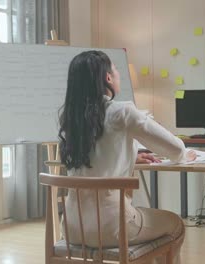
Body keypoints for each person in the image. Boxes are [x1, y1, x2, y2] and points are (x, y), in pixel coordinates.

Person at [58, 50, 196, 263]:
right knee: (175, 225)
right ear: (107, 78)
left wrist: (130, 156)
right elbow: (175, 149)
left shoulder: (70, 121)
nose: (118, 74)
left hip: (72, 228)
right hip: (111, 227)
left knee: (146, 230)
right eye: (116, 69)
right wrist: (186, 154)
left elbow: (95, 158)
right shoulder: (122, 112)